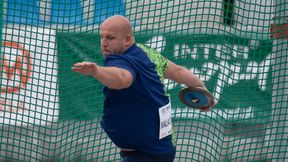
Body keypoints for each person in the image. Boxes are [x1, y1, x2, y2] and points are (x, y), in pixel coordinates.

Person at [72, 15, 213, 162]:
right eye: (101, 37)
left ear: (127, 39)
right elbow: (177, 71)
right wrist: (201, 87)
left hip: (144, 154)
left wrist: (96, 71)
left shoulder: (119, 61)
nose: (103, 43)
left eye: (110, 38)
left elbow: (121, 79)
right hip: (165, 147)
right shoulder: (147, 52)